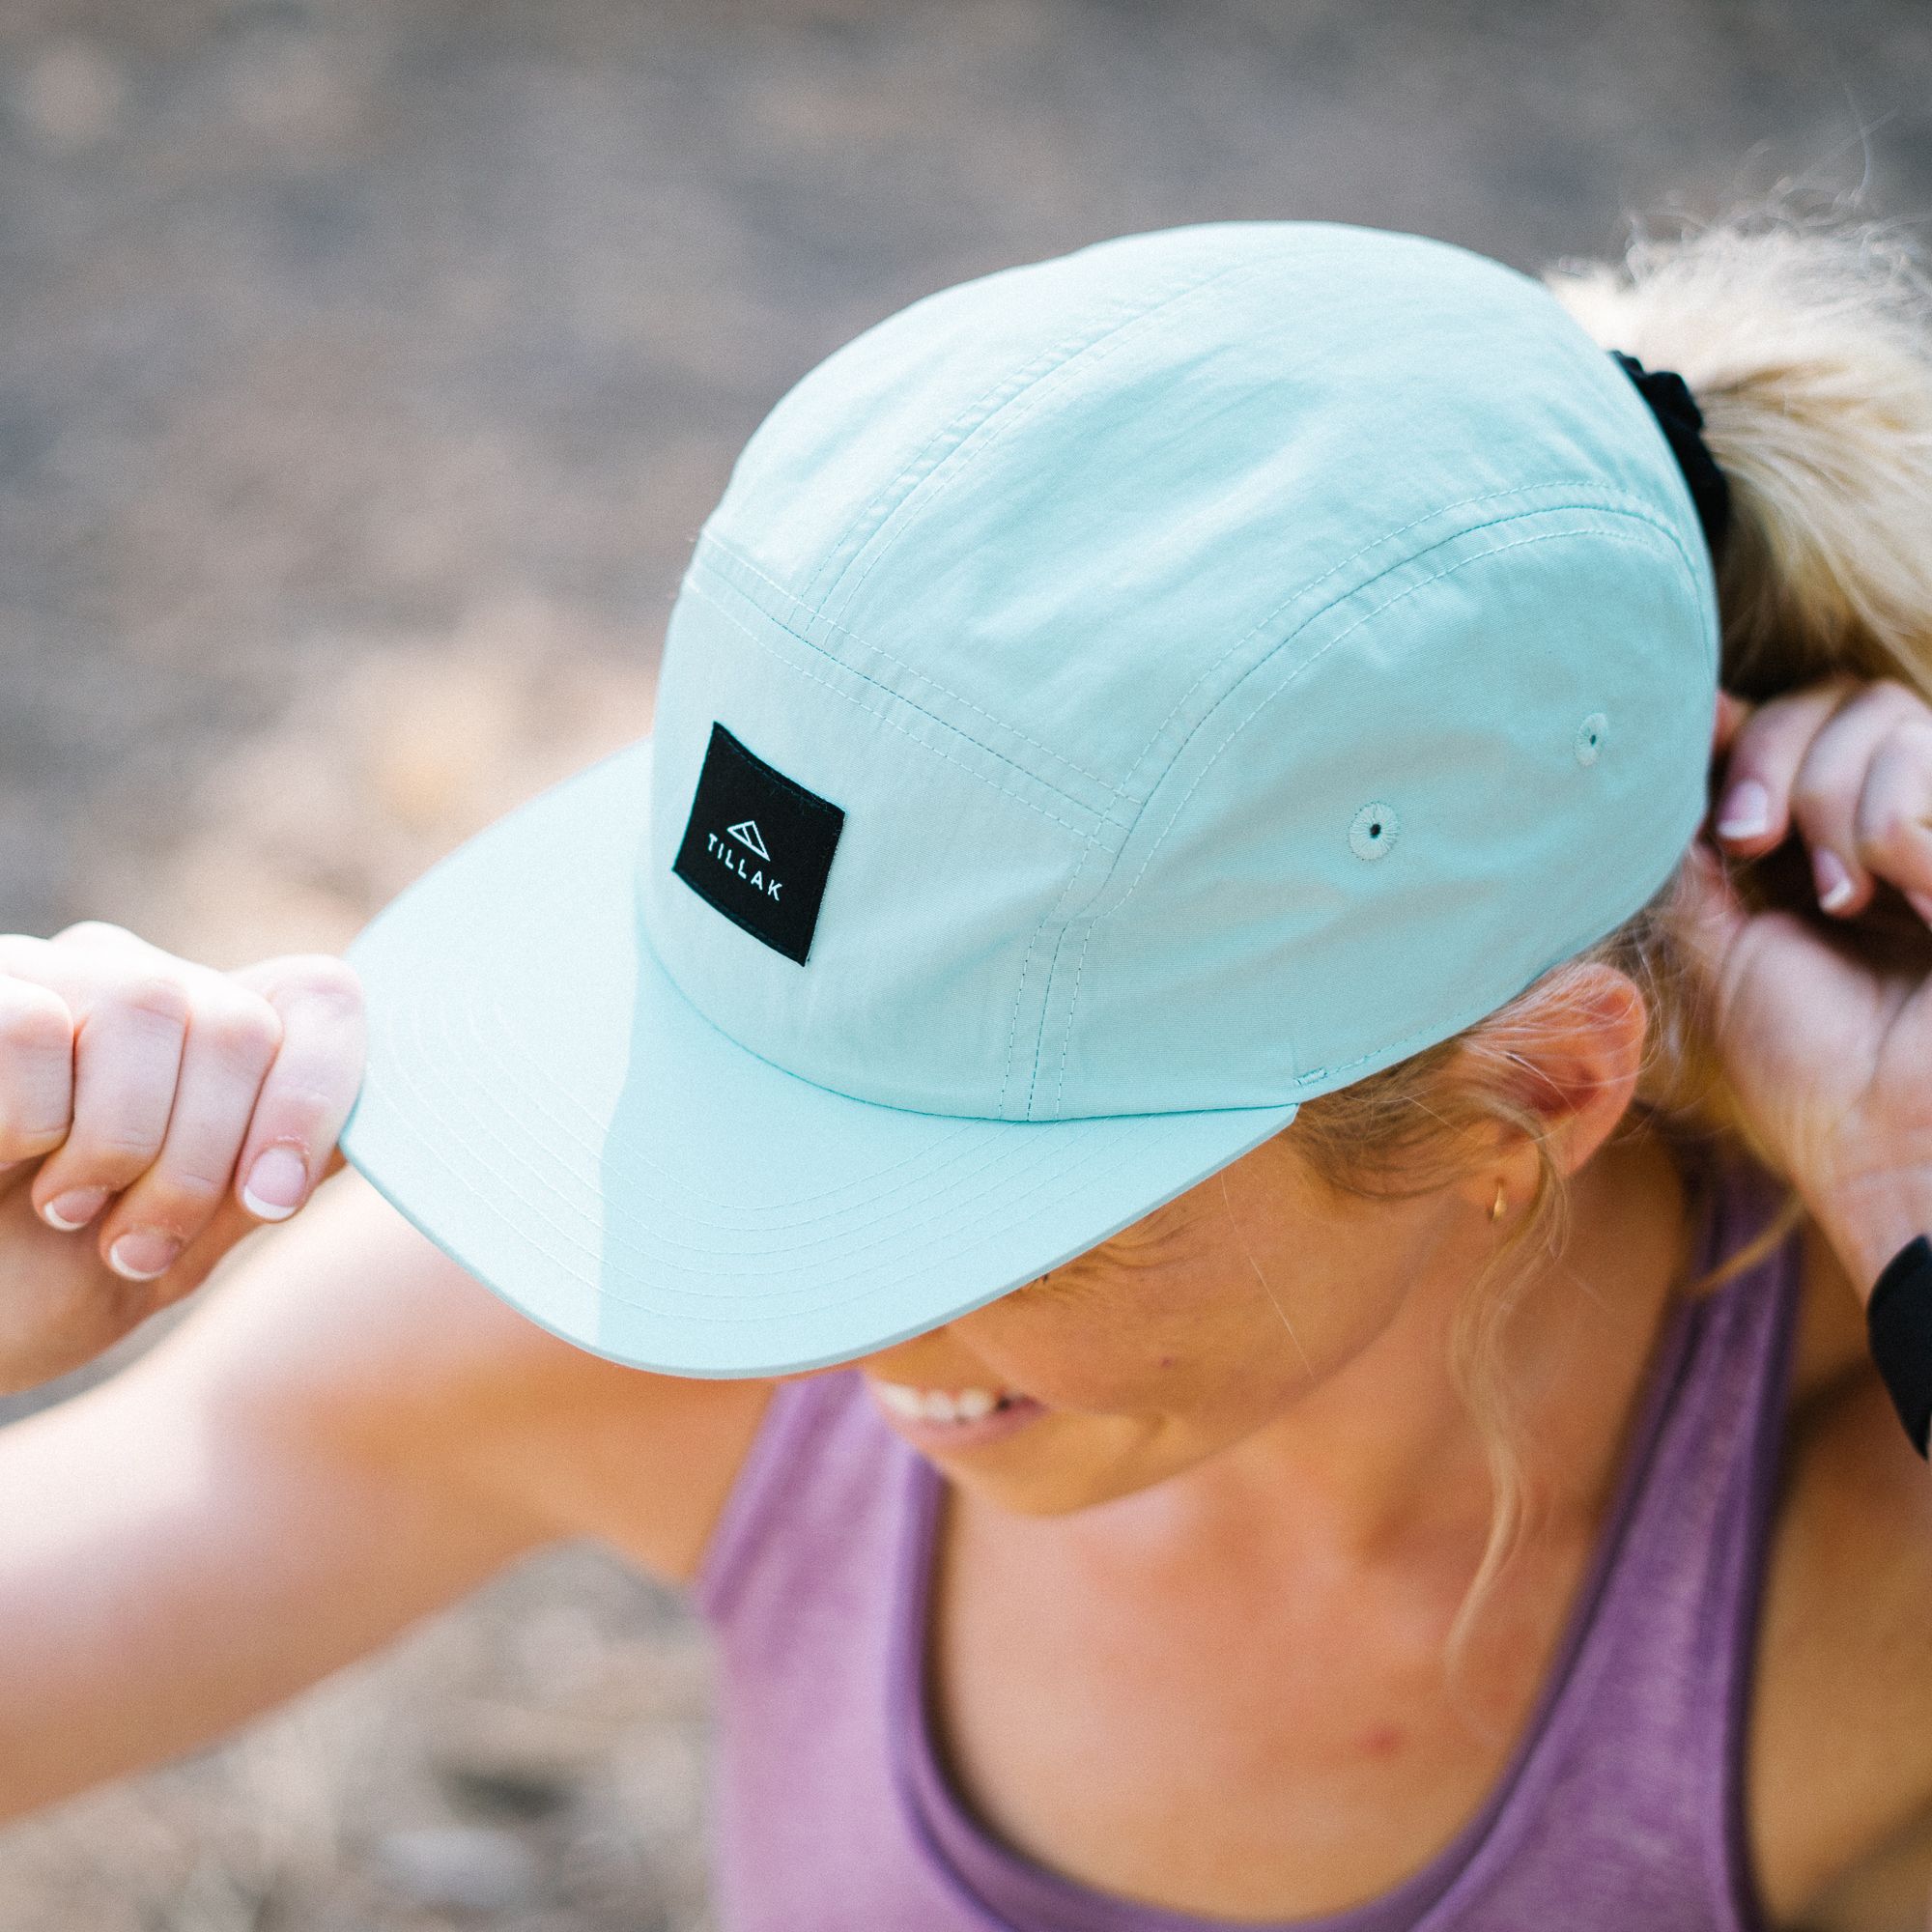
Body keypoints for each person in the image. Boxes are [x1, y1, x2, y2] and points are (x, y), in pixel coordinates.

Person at [7, 205, 1932, 1932]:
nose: (824, 1313)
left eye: (996, 1206)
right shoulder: (679, 1274)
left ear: (1538, 1094)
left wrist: (1903, 1178)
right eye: (773, 1112)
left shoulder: (1848, 1506)